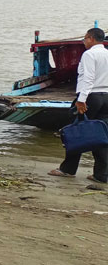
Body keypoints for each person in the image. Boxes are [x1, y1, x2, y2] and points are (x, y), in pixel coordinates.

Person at [49, 27, 108, 183]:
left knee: (78, 131)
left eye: (85, 39)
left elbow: (88, 78)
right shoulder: (107, 53)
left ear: (91, 38)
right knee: (101, 134)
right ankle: (101, 174)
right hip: (106, 97)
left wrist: (82, 100)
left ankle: (68, 169)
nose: (84, 41)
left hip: (91, 97)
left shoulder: (89, 54)